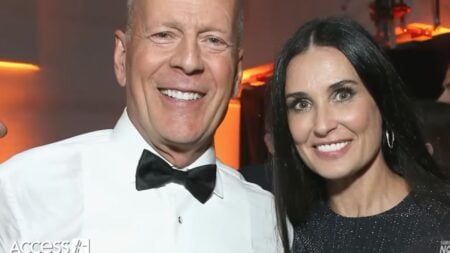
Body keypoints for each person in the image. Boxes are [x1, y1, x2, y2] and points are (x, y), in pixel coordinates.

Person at [0, 0, 283, 252]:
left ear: (236, 74)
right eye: (163, 35)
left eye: (213, 40)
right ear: (122, 58)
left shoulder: (270, 221)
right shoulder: (21, 190)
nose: (188, 61)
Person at [270, 17, 450, 252]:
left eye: (343, 94)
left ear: (383, 103)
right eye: (302, 104)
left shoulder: (442, 220)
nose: (322, 125)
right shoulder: (284, 236)